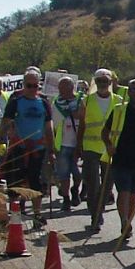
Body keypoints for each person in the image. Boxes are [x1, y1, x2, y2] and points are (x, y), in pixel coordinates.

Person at [0, 67, 56, 229]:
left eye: (35, 86)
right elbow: (6, 121)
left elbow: (49, 127)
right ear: (24, 85)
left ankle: (37, 214)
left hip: (37, 148)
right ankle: (15, 215)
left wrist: (51, 150)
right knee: (15, 182)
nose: (32, 89)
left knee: (36, 181)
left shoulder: (44, 102)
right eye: (29, 86)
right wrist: (1, 138)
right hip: (19, 147)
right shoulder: (16, 101)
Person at [102, 78, 135, 241]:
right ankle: (124, 221)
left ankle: (129, 218)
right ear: (128, 92)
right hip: (121, 157)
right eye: (132, 90)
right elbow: (104, 132)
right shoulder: (119, 110)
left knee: (133, 193)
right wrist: (109, 145)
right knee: (124, 191)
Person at [77, 68, 119, 230]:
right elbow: (81, 125)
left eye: (106, 81)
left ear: (111, 83)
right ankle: (95, 217)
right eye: (99, 81)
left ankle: (99, 209)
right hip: (91, 148)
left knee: (108, 185)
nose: (103, 84)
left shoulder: (119, 101)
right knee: (93, 184)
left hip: (110, 149)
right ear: (96, 82)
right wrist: (78, 145)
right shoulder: (87, 101)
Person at [52, 77, 83, 212]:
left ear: (71, 88)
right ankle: (66, 199)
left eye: (64, 88)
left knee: (77, 173)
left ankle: (75, 189)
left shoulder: (80, 100)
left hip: (76, 143)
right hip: (62, 144)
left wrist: (80, 144)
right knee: (64, 174)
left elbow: (83, 119)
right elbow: (52, 124)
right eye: (60, 88)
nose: (62, 91)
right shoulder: (56, 103)